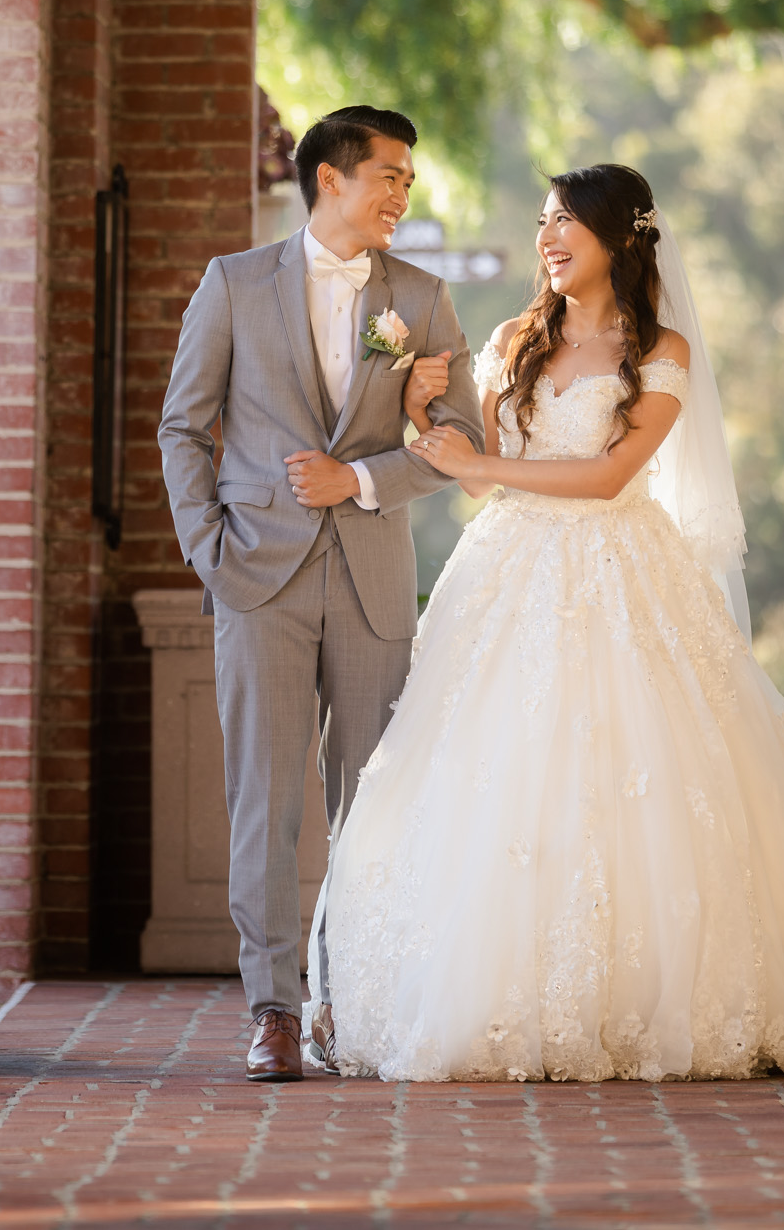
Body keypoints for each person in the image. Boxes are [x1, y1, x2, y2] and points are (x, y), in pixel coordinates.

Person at [318, 164, 784, 1082]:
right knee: (493, 777)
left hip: (621, 569)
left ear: (619, 237)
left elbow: (608, 476)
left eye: (566, 222)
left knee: (638, 770)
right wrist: (428, 418)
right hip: (504, 581)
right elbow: (475, 455)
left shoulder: (661, 353)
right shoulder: (510, 340)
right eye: (542, 223)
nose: (547, 239)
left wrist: (486, 472)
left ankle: (646, 997)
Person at [157, 107, 486, 1081]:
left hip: (374, 576)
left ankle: (346, 998)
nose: (400, 194)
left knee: (368, 801)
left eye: (407, 182)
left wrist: (364, 479)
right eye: (388, 176)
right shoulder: (231, 284)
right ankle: (271, 1008)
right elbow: (184, 425)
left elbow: (460, 443)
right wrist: (206, 551)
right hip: (253, 573)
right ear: (330, 179)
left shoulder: (421, 299)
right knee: (262, 799)